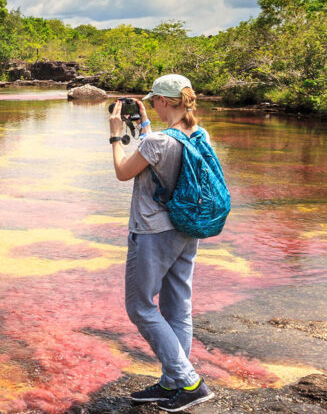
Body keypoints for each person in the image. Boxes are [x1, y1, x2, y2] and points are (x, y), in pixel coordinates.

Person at [105, 74, 215, 412]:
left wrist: (114, 134)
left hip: (152, 232)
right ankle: (172, 384)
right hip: (186, 228)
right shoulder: (199, 133)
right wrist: (146, 126)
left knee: (140, 307)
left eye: (155, 100)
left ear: (165, 101)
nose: (152, 102)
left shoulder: (157, 143)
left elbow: (124, 171)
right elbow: (163, 151)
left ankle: (189, 381)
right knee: (177, 306)